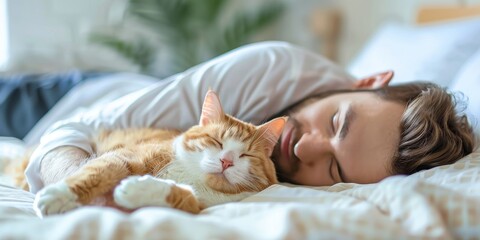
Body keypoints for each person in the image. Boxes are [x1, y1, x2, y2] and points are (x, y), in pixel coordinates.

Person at [23, 41, 475, 193]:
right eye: (336, 123)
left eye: (333, 170)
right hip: (68, 99)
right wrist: (86, 184)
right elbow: (72, 131)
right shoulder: (273, 69)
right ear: (366, 82)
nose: (304, 147)